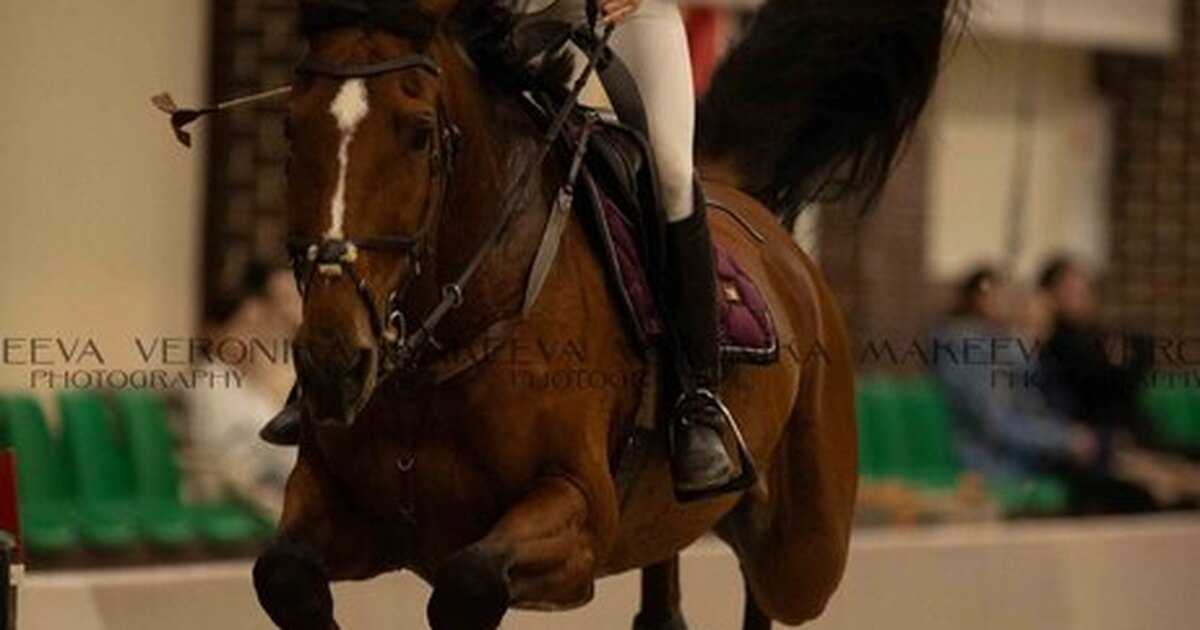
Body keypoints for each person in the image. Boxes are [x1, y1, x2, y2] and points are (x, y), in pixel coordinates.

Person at [263, 0, 743, 500]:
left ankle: (697, 401)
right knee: (399, 130)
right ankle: (334, 358)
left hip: (621, 13)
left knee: (669, 172)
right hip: (502, 12)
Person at [932, 267, 1157, 514]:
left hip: (1036, 456)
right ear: (979, 300)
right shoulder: (973, 350)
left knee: (1119, 461)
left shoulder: (1013, 351)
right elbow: (998, 421)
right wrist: (1066, 440)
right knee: (1120, 479)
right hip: (1000, 463)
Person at [186, 261, 301, 520]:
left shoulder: (245, 382)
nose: (252, 338)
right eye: (244, 326)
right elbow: (225, 453)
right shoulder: (211, 380)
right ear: (214, 331)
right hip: (233, 490)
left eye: (256, 327)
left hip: (267, 479)